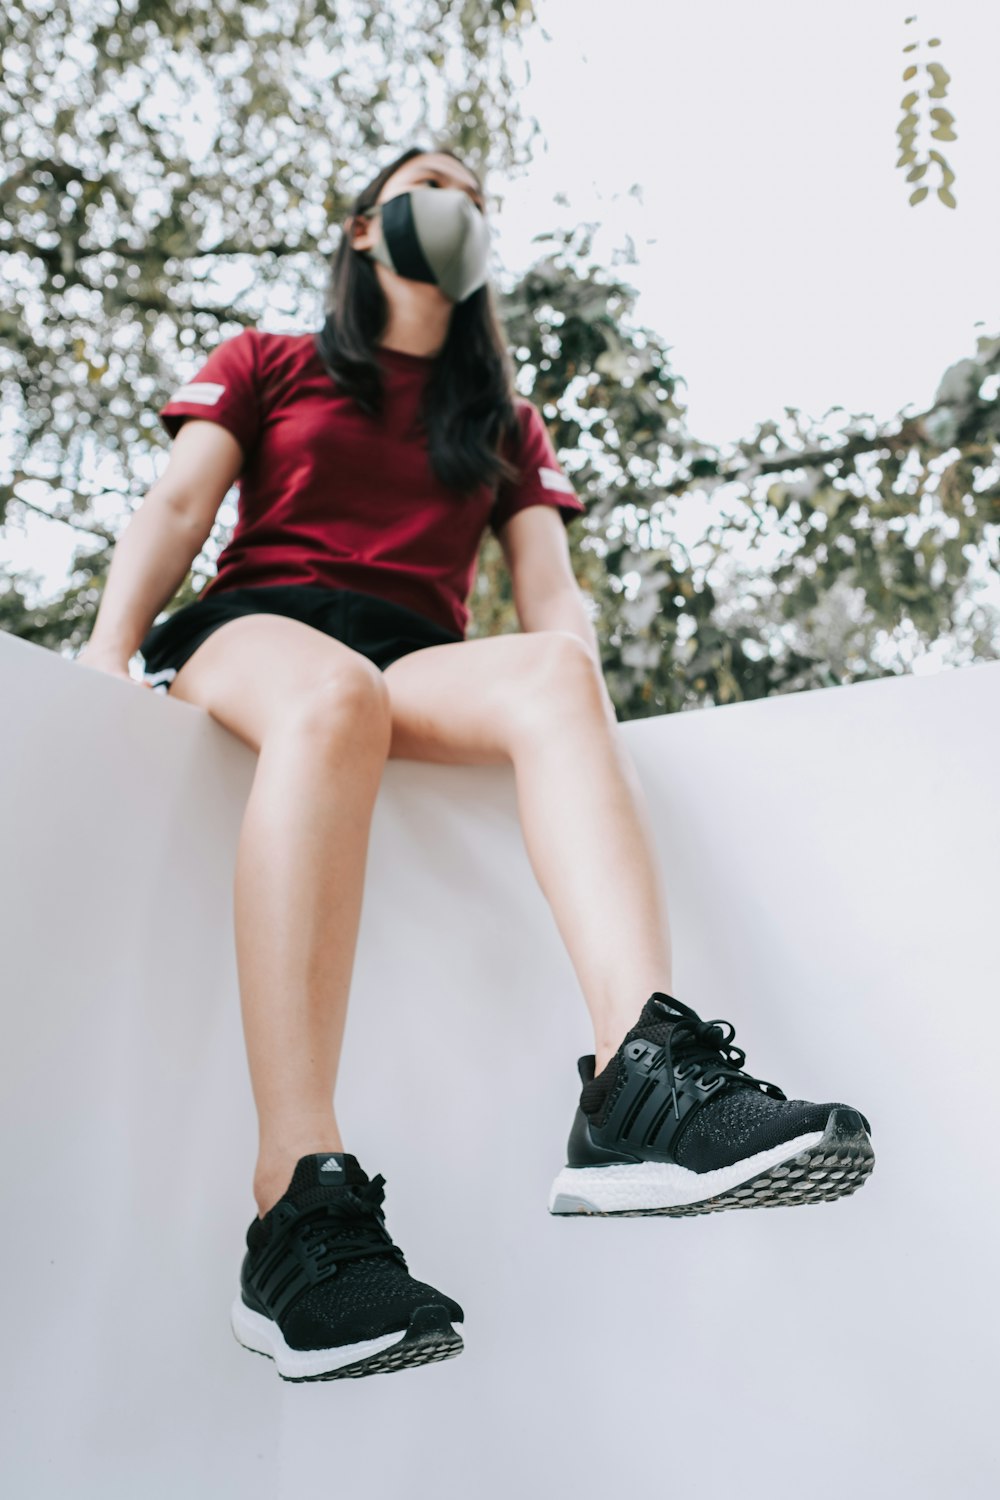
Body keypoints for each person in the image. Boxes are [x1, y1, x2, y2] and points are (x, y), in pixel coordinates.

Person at [77, 143, 874, 1383]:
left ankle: (639, 1089)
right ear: (362, 228)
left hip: (410, 662)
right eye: (429, 183)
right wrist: (103, 658)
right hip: (257, 630)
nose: (455, 207)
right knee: (330, 696)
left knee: (554, 676)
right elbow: (179, 509)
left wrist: (592, 737)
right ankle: (296, 1199)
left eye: (476, 197)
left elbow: (551, 600)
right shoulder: (268, 362)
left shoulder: (497, 419)